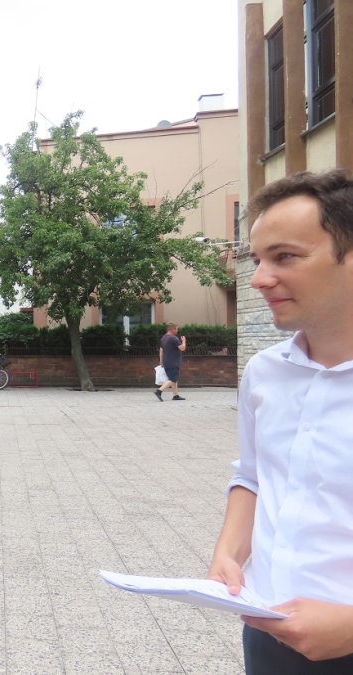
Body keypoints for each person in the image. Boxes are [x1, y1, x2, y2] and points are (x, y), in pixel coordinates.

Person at [206, 169, 353, 673]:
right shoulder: (263, 373)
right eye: (257, 259)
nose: (259, 278)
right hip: (267, 628)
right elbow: (253, 475)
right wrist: (229, 552)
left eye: (284, 256)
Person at [154, 323, 186, 401]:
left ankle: (175, 395)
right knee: (172, 378)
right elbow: (182, 348)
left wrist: (161, 360)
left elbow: (161, 350)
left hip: (166, 361)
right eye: (177, 329)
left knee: (173, 378)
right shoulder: (173, 338)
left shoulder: (163, 338)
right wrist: (184, 341)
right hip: (173, 361)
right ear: (173, 329)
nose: (177, 331)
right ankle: (159, 391)